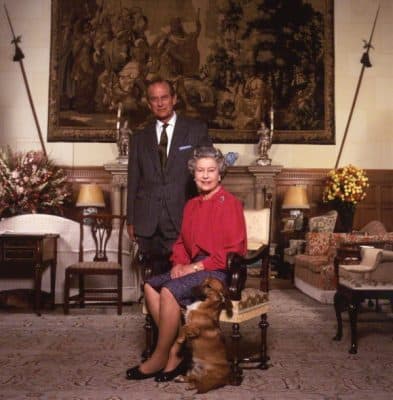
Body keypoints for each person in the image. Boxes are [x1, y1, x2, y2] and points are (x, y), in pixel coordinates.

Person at [126, 146, 247, 381]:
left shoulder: (230, 203)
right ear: (193, 175)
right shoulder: (191, 205)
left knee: (170, 290)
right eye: (200, 170)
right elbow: (181, 242)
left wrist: (193, 268)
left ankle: (164, 355)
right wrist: (179, 264)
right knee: (151, 286)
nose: (205, 175)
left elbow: (233, 251)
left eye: (211, 170)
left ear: (219, 173)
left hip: (219, 270)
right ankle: (178, 350)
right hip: (193, 267)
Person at [126, 78, 211, 269]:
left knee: (179, 278)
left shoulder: (196, 130)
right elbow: (133, 180)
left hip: (182, 217)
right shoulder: (139, 137)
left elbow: (210, 171)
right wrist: (131, 219)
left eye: (164, 97)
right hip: (147, 221)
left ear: (174, 99)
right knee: (151, 280)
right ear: (149, 104)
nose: (160, 103)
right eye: (154, 99)